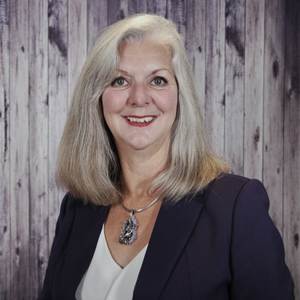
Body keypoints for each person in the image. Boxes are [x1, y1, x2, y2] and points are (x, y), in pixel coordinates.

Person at [38, 14, 295, 300]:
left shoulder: (235, 207)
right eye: (120, 80)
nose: (139, 98)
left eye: (158, 80)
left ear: (180, 96)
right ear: (97, 97)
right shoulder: (77, 206)